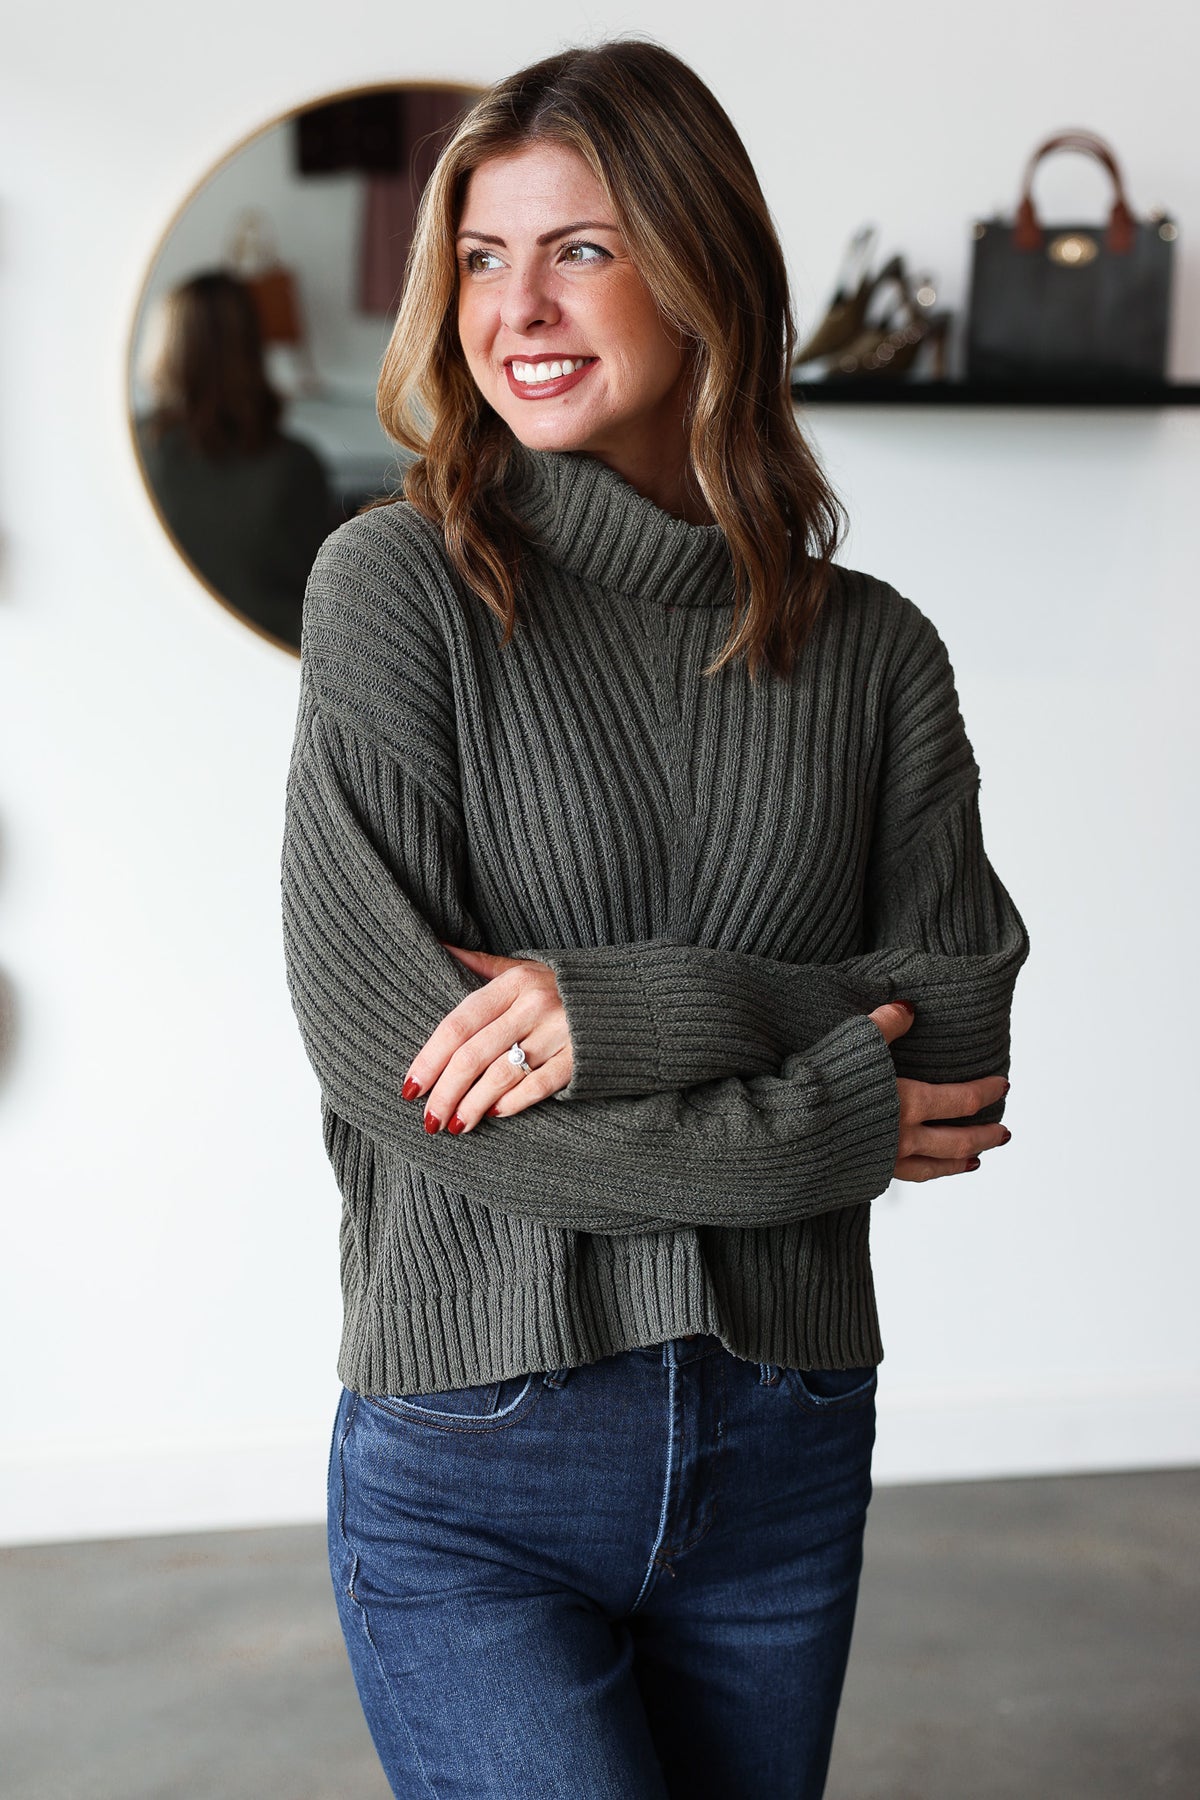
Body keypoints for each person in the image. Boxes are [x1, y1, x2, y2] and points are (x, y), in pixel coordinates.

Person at [280, 39, 1030, 1800]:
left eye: (582, 250)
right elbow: (418, 1083)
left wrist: (634, 1012)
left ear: (704, 275)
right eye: (482, 256)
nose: (517, 308)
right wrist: (831, 1112)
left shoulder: (872, 651)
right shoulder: (397, 591)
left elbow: (962, 1038)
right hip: (480, 1454)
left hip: (785, 1446)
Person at [136, 271, 334, 650]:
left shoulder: (135, 451)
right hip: (274, 656)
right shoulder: (297, 464)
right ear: (250, 345)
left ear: (165, 347)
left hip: (160, 652)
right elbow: (318, 595)